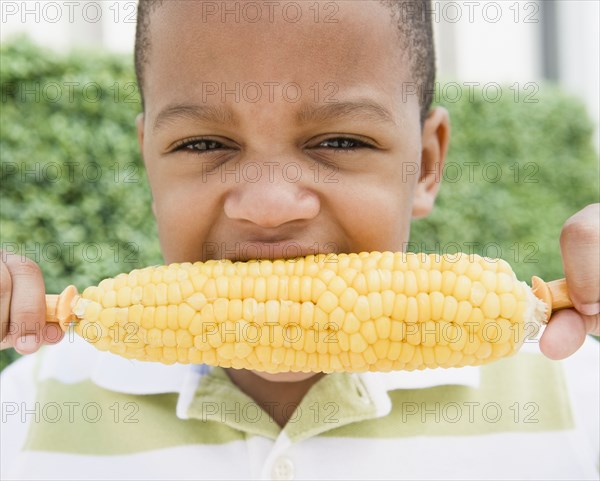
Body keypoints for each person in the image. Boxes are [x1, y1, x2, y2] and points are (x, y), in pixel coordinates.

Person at [1, 1, 598, 479]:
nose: (267, 207)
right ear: (148, 167)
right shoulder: (28, 411)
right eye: (203, 144)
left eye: (339, 142)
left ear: (426, 165)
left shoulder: (577, 398)